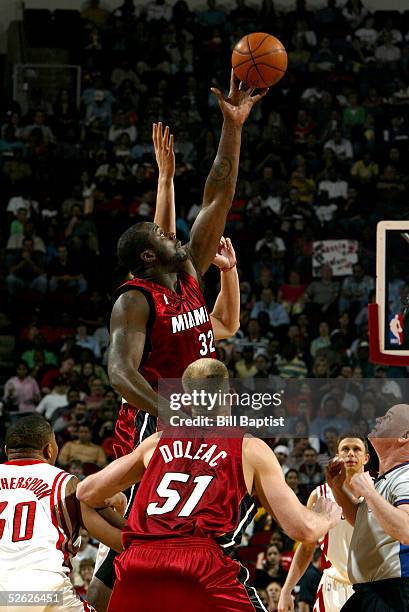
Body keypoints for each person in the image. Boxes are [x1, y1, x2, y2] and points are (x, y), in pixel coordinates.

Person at [89, 77, 267, 609]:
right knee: (168, 529)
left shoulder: (187, 272)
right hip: (154, 418)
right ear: (148, 258)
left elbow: (219, 192)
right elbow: (119, 372)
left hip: (199, 410)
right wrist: (172, 412)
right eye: (163, 237)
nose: (174, 234)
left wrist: (230, 129)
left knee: (185, 528)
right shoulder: (134, 299)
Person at [77, 358, 342, 612]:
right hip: (202, 566)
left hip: (137, 566)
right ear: (230, 397)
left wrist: (126, 527)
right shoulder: (250, 448)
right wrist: (325, 518)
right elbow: (303, 530)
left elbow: (86, 493)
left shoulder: (156, 441)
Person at [0, 414, 124, 612]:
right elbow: (121, 540)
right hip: (41, 590)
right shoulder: (67, 484)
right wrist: (120, 506)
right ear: (49, 450)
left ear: (7, 451)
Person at [327, 404, 409, 610]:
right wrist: (337, 488)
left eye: (388, 417)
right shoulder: (385, 478)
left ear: (404, 436)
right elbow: (364, 522)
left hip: (394, 592)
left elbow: (406, 530)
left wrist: (369, 493)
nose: (379, 418)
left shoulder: (406, 476)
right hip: (371, 591)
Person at [278, 435, 370, 612]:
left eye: (357, 449)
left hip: (371, 585)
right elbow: (306, 548)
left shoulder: (379, 490)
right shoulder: (320, 495)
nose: (350, 453)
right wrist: (286, 589)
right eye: (345, 449)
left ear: (366, 457)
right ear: (337, 456)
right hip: (333, 588)